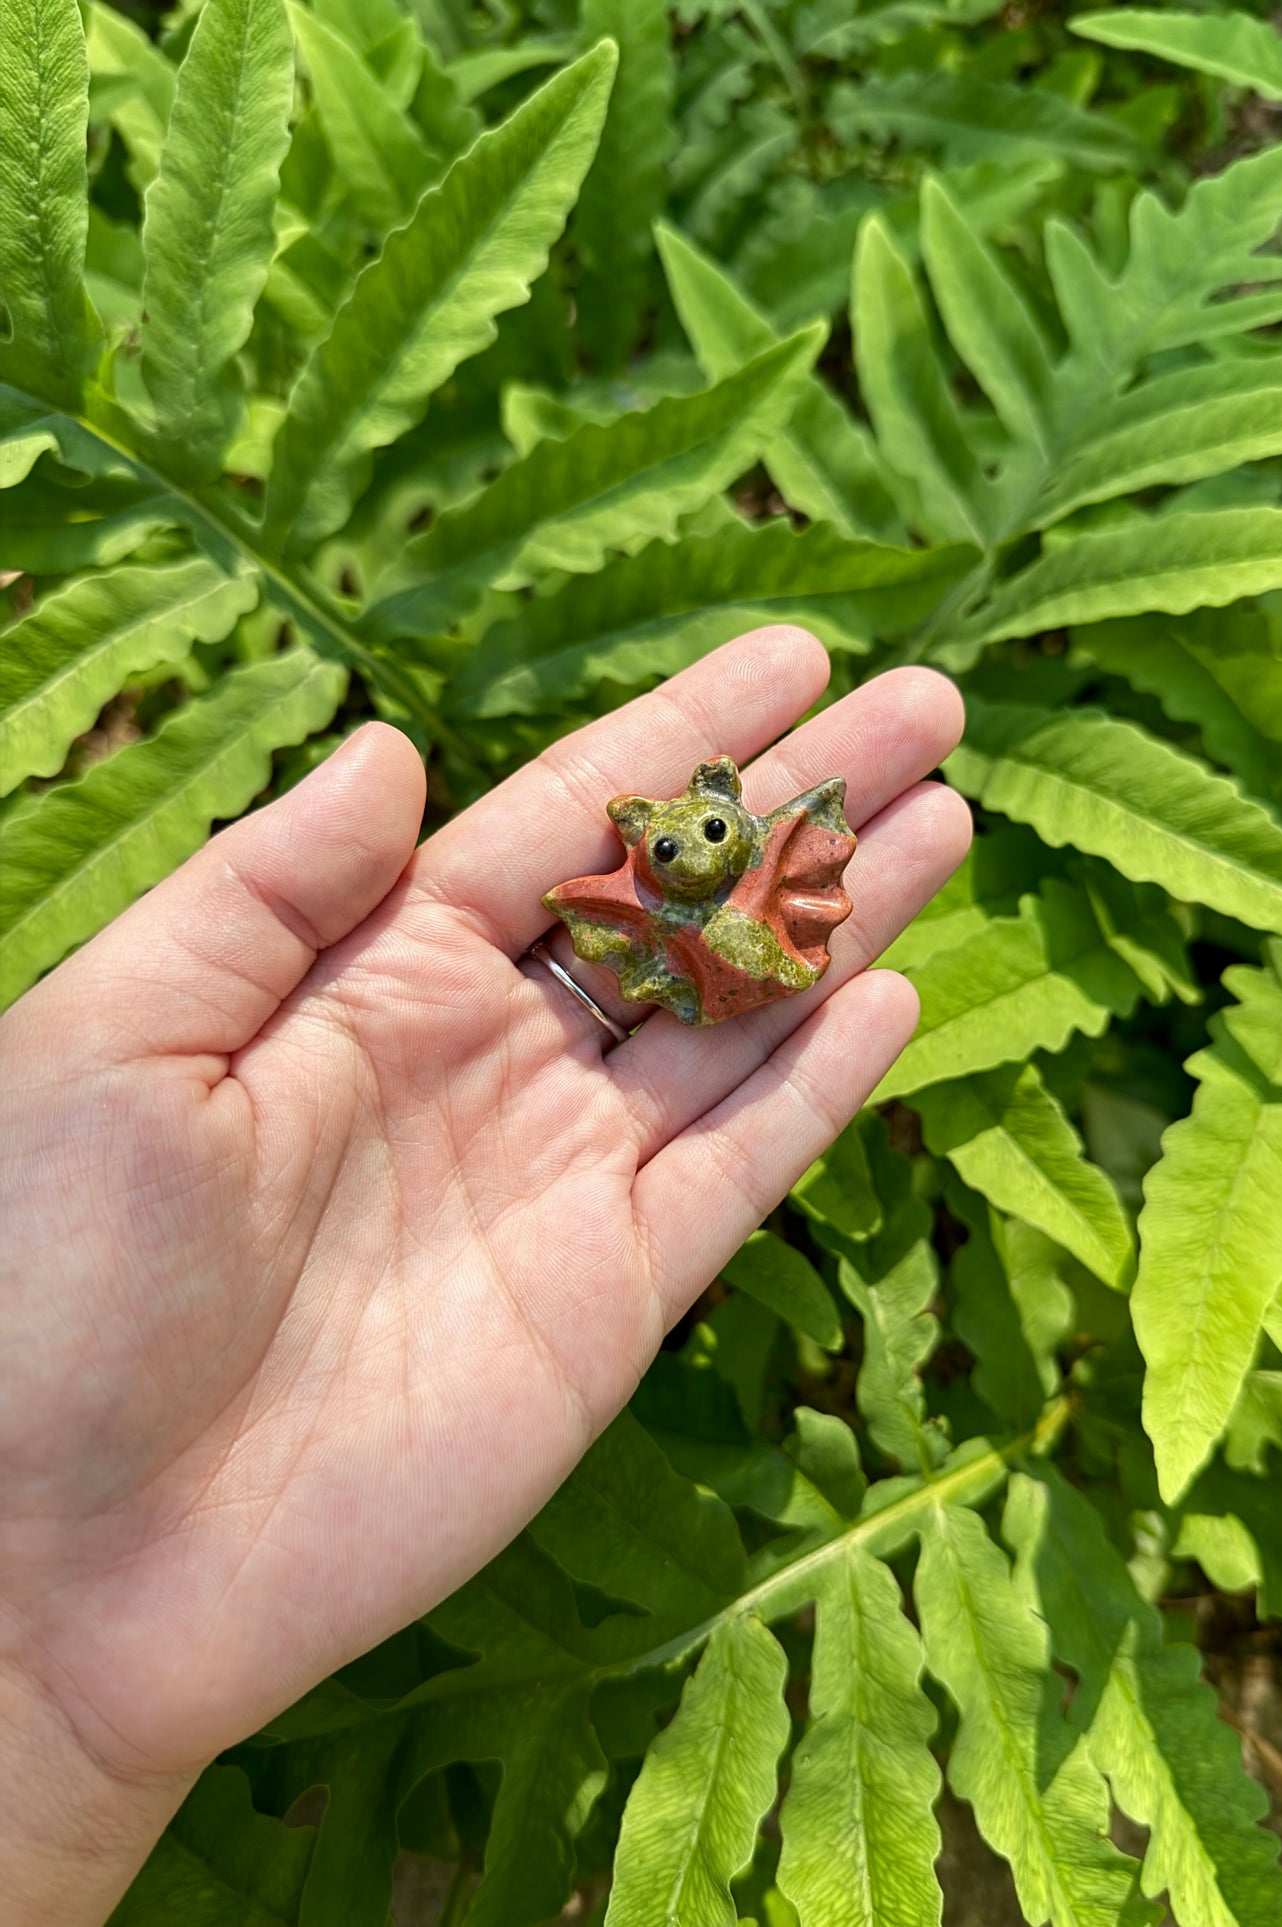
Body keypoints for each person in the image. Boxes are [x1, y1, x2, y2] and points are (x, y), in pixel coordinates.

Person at [0, 626, 969, 1921]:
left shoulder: (748, 871)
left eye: (698, 837)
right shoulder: (632, 889)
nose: (677, 850)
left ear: (732, 827)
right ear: (646, 838)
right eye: (665, 842)